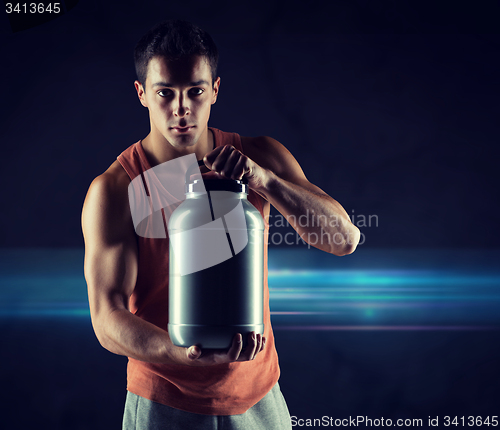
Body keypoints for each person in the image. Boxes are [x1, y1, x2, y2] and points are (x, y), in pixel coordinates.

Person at [81, 19, 360, 430]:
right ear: (141, 94)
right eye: (165, 94)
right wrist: (180, 353)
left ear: (214, 89)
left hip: (259, 395)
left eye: (195, 91)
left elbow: (344, 240)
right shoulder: (116, 189)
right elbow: (107, 318)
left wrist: (264, 181)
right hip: (165, 400)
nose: (181, 109)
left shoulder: (259, 156)